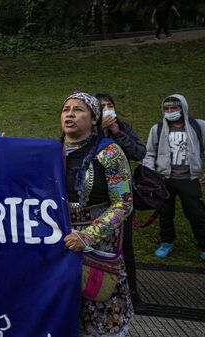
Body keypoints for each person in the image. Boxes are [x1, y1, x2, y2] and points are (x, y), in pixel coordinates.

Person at [61, 92, 133, 336]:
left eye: (78, 109)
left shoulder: (110, 152)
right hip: (61, 245)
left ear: (94, 119)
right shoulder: (50, 152)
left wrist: (87, 236)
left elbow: (123, 203)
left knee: (99, 310)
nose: (70, 114)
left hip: (99, 247)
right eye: (66, 109)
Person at [95, 93, 146, 310]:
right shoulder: (89, 130)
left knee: (125, 245)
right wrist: (100, 130)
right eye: (102, 106)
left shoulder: (123, 128)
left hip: (122, 199)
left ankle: (133, 293)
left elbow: (139, 152)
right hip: (96, 200)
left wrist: (117, 133)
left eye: (110, 106)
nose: (107, 109)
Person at [142, 94, 205, 261]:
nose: (170, 111)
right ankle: (167, 242)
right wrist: (150, 175)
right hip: (165, 180)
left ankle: (203, 243)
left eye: (174, 108)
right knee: (165, 212)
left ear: (182, 108)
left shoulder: (199, 126)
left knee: (197, 213)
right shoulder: (158, 129)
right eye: (166, 109)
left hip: (189, 179)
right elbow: (149, 153)